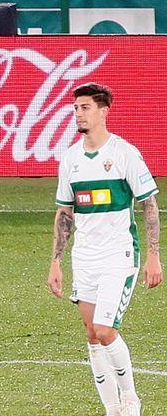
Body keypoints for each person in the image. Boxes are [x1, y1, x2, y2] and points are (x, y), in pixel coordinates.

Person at [47, 83, 161, 416]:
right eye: (76, 108)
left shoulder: (125, 153)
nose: (79, 113)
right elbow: (65, 213)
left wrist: (154, 255)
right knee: (90, 334)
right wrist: (55, 262)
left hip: (119, 254)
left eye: (85, 107)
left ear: (103, 111)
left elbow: (149, 205)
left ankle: (130, 398)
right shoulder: (71, 159)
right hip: (85, 257)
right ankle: (113, 409)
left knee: (105, 329)